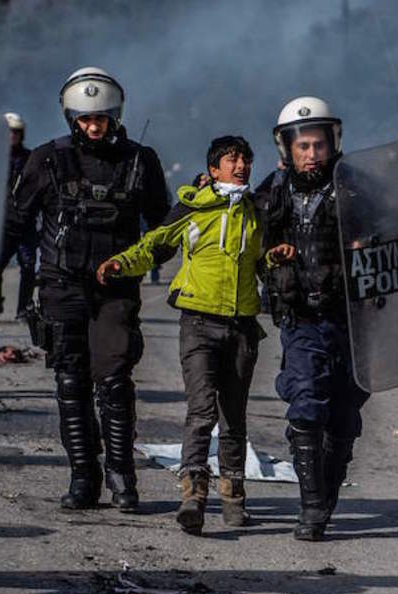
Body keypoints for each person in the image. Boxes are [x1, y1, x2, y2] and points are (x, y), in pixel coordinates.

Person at [0, 66, 169, 510]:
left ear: (116, 115)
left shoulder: (140, 159)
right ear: (71, 118)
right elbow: (15, 222)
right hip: (60, 286)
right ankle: (83, 475)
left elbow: (162, 228)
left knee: (114, 379)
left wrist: (146, 258)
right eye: (85, 119)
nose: (94, 127)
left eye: (102, 118)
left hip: (115, 289)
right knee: (71, 381)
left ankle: (122, 475)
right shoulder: (46, 159)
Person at [98, 135, 276, 534]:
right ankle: (193, 495)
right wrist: (120, 263)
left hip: (243, 327)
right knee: (202, 412)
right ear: (214, 169)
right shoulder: (192, 208)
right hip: (198, 322)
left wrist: (277, 261)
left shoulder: (255, 211)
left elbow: (265, 260)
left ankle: (234, 498)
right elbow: (154, 243)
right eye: (232, 160)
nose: (241, 166)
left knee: (234, 418)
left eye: (245, 159)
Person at [257, 96, 370, 541]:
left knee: (343, 417)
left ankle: (325, 499)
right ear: (287, 147)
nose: (311, 154)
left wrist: (365, 246)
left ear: (332, 143)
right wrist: (272, 255)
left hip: (352, 320)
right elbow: (255, 243)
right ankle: (310, 508)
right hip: (301, 316)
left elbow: (391, 240)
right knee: (306, 405)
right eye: (302, 146)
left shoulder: (356, 189)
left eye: (318, 145)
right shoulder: (273, 191)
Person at [0, 112, 36, 318]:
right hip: (2, 225)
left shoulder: (31, 159)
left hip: (25, 223)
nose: (12, 136)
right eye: (8, 132)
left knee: (29, 266)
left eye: (15, 132)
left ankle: (24, 308)